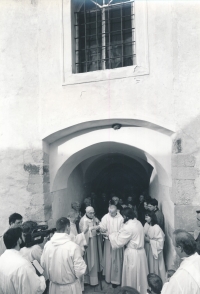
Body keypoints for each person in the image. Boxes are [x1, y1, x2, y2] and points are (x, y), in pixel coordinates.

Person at [41, 217, 86, 294]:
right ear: (68, 228)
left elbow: (43, 264)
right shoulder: (73, 247)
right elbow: (80, 270)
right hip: (70, 288)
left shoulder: (47, 245)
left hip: (54, 287)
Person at [109, 207, 148, 294]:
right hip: (141, 252)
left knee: (132, 274)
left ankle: (131, 291)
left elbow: (119, 242)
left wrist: (110, 236)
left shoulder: (128, 227)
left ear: (126, 216)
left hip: (133, 253)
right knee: (140, 275)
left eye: (123, 216)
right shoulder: (138, 222)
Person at [0, 227, 46, 294]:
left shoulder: (1, 258)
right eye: (23, 236)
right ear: (19, 240)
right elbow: (36, 289)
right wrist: (42, 278)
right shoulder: (23, 265)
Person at [161, 229, 200, 294]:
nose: (174, 249)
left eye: (173, 245)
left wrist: (167, 284)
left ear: (180, 248)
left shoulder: (178, 278)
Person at [99, 203, 124, 287]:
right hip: (108, 242)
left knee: (116, 260)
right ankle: (108, 277)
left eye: (112, 213)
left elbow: (122, 231)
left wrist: (114, 237)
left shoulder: (121, 218)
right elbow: (102, 226)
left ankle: (116, 280)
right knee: (108, 259)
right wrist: (101, 228)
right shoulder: (106, 217)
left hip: (117, 243)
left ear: (116, 211)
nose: (110, 214)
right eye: (109, 212)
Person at [79, 206, 103, 286]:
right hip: (89, 242)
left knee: (96, 258)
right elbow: (83, 232)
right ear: (86, 212)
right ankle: (90, 280)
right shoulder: (83, 220)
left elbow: (99, 223)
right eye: (91, 213)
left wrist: (98, 226)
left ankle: (97, 275)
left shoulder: (93, 217)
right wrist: (93, 228)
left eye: (93, 212)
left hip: (95, 240)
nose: (92, 214)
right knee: (90, 260)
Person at [144, 211, 166, 283]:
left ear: (152, 218)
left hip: (154, 249)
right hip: (148, 248)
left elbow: (160, 242)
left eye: (147, 217)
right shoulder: (147, 225)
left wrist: (150, 241)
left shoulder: (157, 227)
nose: (145, 218)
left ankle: (156, 282)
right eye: (145, 216)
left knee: (154, 265)